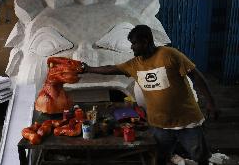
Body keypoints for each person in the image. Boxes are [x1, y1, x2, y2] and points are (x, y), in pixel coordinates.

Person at [81, 25, 219, 165]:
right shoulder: (135, 64)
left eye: (134, 43)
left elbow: (196, 76)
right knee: (159, 158)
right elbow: (111, 69)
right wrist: (88, 69)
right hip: (159, 125)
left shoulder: (169, 54)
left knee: (201, 158)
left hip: (187, 121)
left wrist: (211, 103)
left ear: (146, 41)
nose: (132, 47)